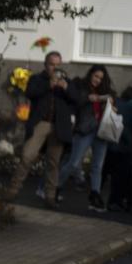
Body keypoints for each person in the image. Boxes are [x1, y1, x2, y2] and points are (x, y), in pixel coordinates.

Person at [13, 64, 78, 206]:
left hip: (58, 127)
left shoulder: (68, 81)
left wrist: (66, 87)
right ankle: (13, 190)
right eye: (52, 64)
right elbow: (30, 93)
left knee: (53, 162)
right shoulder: (37, 79)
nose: (55, 68)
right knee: (27, 156)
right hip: (40, 124)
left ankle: (50, 196)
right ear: (46, 65)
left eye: (57, 64)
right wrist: (48, 85)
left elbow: (77, 99)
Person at [58, 64, 117, 212]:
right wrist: (90, 98)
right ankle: (56, 186)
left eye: (101, 78)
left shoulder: (106, 91)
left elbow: (113, 104)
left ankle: (95, 195)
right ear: (91, 74)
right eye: (96, 76)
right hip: (84, 129)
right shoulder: (81, 85)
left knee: (97, 166)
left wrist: (112, 106)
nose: (98, 80)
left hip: (101, 131)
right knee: (73, 163)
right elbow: (76, 100)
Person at [102, 86, 132, 213]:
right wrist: (131, 142)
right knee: (119, 177)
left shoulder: (117, 103)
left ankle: (98, 197)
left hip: (110, 144)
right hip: (122, 147)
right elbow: (125, 127)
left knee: (105, 173)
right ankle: (114, 202)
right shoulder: (129, 108)